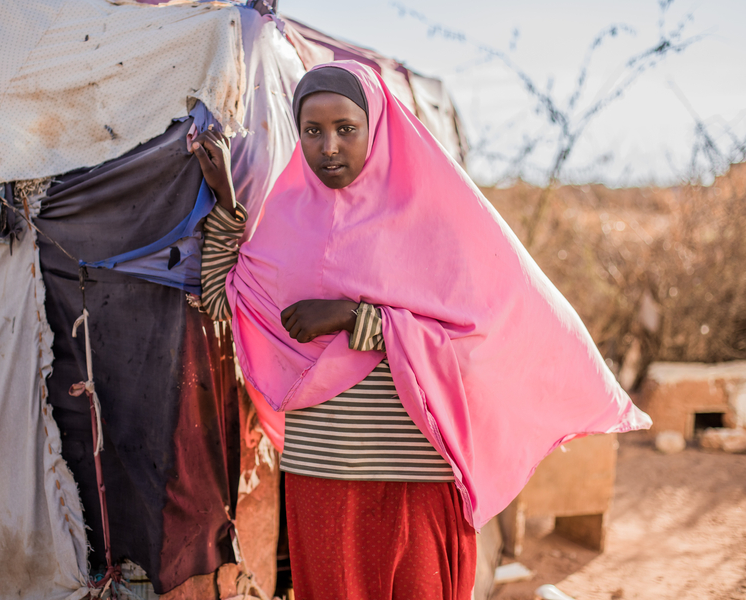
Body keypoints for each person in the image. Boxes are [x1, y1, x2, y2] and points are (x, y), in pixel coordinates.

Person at [190, 61, 650, 600]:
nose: (329, 146)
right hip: (323, 475)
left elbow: (475, 340)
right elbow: (225, 303)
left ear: (377, 127)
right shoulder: (283, 223)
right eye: (312, 131)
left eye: (346, 128)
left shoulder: (438, 220)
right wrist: (226, 207)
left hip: (417, 472)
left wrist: (353, 316)